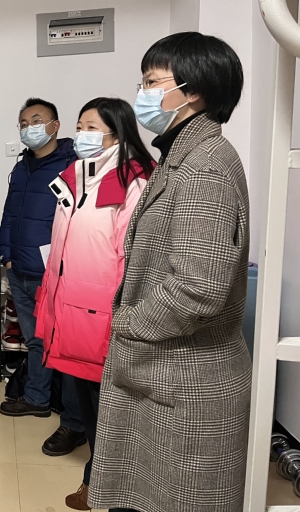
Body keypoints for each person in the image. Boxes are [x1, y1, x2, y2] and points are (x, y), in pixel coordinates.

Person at [89, 32, 251, 512]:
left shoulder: (204, 168)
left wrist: (126, 322)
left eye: (151, 81)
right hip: (163, 373)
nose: (142, 93)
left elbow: (198, 287)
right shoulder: (181, 158)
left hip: (186, 381)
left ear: (192, 89)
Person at [34, 98, 154, 510]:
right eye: (80, 126)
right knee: (87, 403)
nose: (81, 135)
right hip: (70, 309)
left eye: (90, 128)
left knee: (109, 408)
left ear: (116, 135)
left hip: (102, 316)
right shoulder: (77, 176)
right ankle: (100, 481)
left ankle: (106, 486)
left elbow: (131, 259)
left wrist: (120, 314)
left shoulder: (133, 182)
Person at [0, 98, 86, 458]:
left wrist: (63, 266)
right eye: (23, 123)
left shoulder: (72, 165)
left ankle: (72, 419)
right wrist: (6, 256)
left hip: (54, 274)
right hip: (19, 268)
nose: (29, 128)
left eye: (36, 120)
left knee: (62, 344)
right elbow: (9, 215)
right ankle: (36, 398)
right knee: (35, 339)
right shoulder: (21, 167)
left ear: (55, 125)